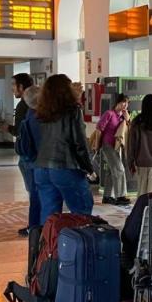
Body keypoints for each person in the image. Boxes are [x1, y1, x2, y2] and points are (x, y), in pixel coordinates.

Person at [35, 73, 95, 222]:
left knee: (49, 217)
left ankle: (48, 244)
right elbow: (79, 142)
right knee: (83, 209)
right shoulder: (73, 110)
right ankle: (80, 243)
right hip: (65, 166)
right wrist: (89, 168)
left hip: (42, 168)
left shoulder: (43, 113)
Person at [8, 73, 35, 234]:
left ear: (21, 87)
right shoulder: (36, 105)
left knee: (34, 192)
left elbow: (19, 131)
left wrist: (6, 128)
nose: (12, 89)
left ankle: (34, 227)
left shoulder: (23, 105)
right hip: (34, 155)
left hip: (27, 155)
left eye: (14, 86)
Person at [15, 86, 42, 236]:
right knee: (37, 195)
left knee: (35, 194)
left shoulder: (29, 114)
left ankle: (34, 227)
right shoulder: (38, 118)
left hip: (30, 159)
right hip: (37, 161)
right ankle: (36, 228)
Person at [97, 93, 131, 205]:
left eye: (127, 102)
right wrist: (97, 145)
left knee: (111, 171)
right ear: (117, 102)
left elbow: (129, 130)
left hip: (116, 147)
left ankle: (107, 196)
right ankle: (120, 196)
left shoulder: (123, 116)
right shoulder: (109, 114)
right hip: (107, 145)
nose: (125, 105)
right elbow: (99, 129)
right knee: (119, 169)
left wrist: (127, 119)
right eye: (123, 102)